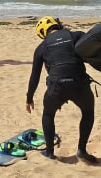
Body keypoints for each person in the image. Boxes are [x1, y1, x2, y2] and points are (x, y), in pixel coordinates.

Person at [25, 16, 97, 163]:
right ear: (57, 25)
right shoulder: (76, 35)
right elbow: (92, 50)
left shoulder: (42, 47)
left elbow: (35, 76)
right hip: (79, 84)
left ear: (43, 33)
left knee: (48, 114)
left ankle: (49, 152)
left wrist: (29, 98)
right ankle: (82, 150)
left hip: (57, 87)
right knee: (88, 112)